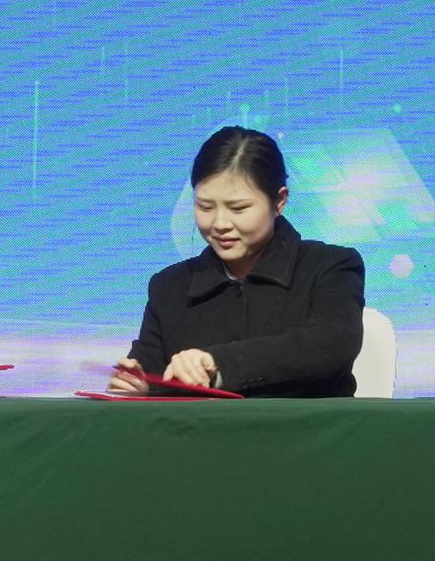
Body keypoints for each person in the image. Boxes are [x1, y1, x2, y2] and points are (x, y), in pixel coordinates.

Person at [103, 126, 369, 397]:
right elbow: (151, 371)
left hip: (306, 424)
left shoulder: (330, 267)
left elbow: (332, 343)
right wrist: (139, 386)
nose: (220, 224)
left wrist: (220, 364)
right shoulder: (169, 286)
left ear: (279, 200)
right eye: (205, 207)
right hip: (201, 426)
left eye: (238, 208)